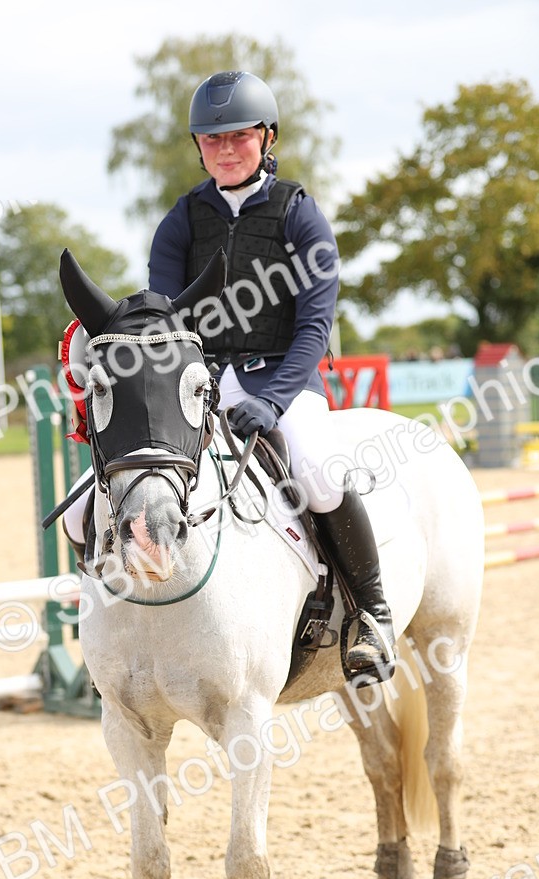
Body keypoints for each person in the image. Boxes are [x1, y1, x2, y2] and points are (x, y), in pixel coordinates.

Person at [148, 69, 396, 684]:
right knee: (140, 480)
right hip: (203, 384)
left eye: (239, 136)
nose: (225, 150)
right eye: (212, 139)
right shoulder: (180, 221)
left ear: (267, 137)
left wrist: (275, 400)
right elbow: (165, 320)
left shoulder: (299, 215)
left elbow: (316, 328)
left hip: (287, 380)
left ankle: (372, 613)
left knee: (313, 469)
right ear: (198, 146)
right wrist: (193, 386)